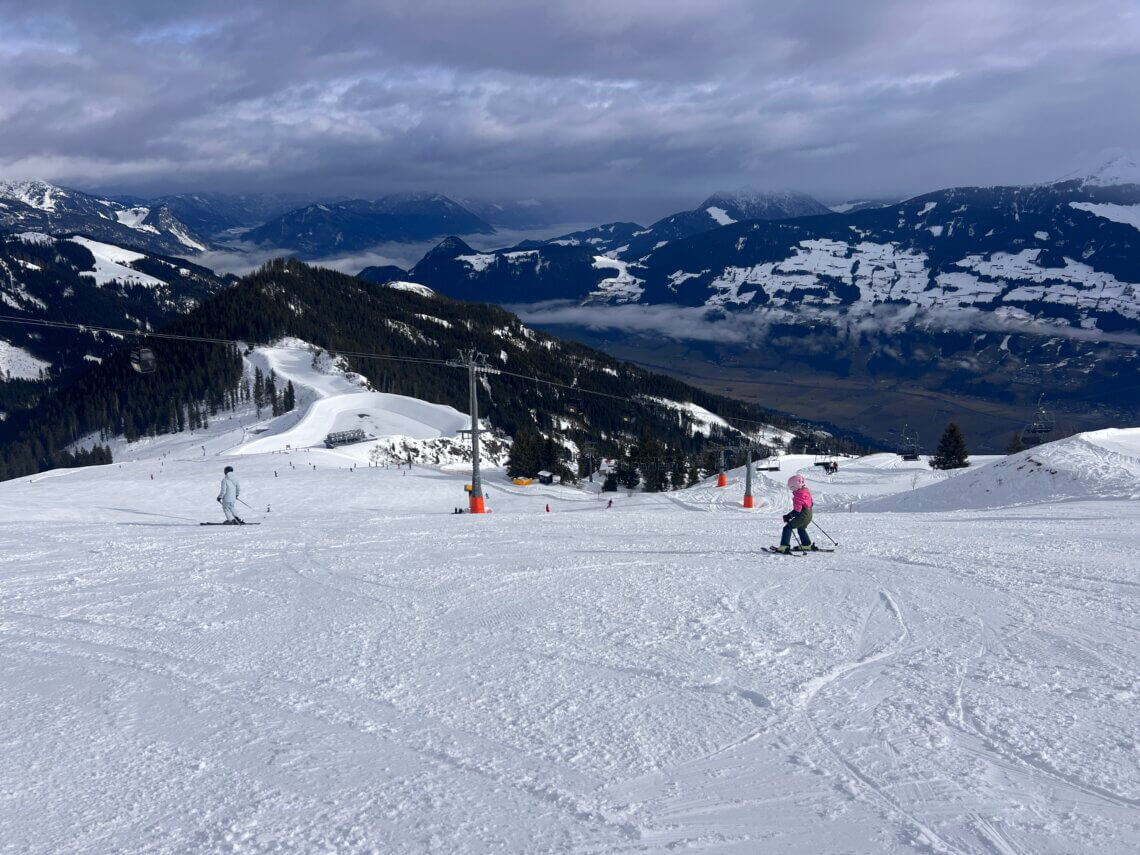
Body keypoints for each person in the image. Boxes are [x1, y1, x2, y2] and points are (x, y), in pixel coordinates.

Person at [775, 474, 815, 553]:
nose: (791, 490)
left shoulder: (798, 496)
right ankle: (806, 545)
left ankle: (784, 546)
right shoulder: (806, 492)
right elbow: (811, 504)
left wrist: (788, 516)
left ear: (796, 486)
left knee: (787, 528)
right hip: (809, 515)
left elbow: (797, 511)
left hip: (803, 516)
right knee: (801, 528)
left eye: (792, 488)